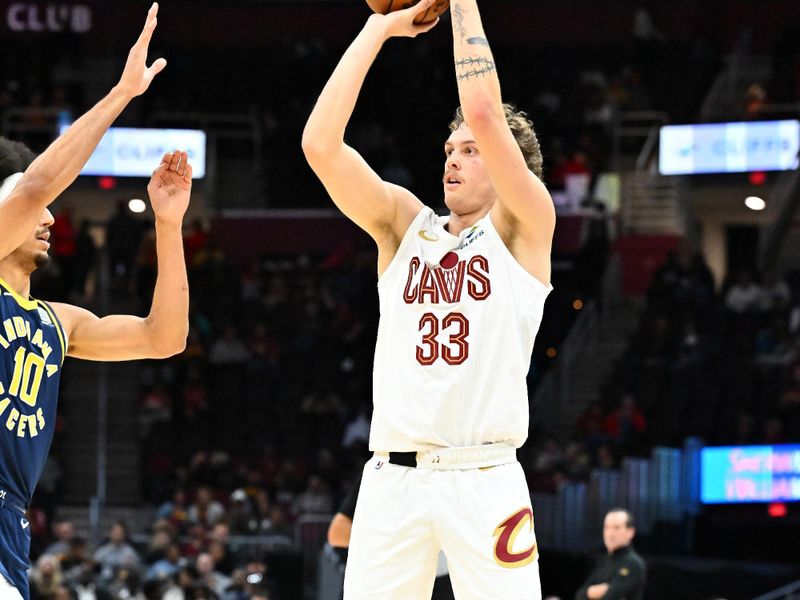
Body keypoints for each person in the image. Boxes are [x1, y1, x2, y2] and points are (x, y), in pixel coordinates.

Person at [303, 0, 555, 597]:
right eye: (450, 151)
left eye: (470, 151)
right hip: (393, 478)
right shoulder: (404, 225)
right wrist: (378, 27)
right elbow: (319, 144)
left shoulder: (524, 226)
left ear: (508, 166)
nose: (453, 160)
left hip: (485, 475)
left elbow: (485, 111)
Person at [0, 6, 192, 598]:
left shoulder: (58, 323)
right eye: (29, 208)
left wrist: (168, 224)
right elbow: (37, 187)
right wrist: (120, 94)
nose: (50, 217)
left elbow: (165, 338)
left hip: (10, 522)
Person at [328, 470, 455, 600]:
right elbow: (338, 532)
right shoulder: (382, 470)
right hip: (390, 577)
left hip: (445, 579)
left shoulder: (461, 472)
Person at [574, 509, 646, 600]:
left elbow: (610, 597)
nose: (610, 533)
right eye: (607, 527)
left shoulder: (633, 563)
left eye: (616, 528)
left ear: (630, 532)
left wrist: (590, 593)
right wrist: (591, 592)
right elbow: (579, 595)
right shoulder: (604, 561)